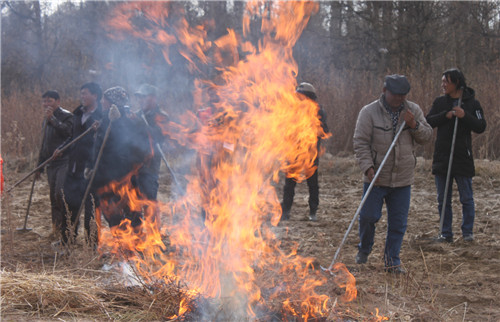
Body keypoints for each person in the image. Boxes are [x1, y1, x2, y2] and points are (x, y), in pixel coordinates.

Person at [353, 74, 432, 273]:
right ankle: (364, 249)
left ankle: (392, 260)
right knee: (369, 217)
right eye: (395, 94)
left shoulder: (413, 110)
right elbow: (360, 142)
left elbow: (427, 136)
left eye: (402, 95)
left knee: (398, 223)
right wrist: (368, 167)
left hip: (403, 179)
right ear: (384, 91)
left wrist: (414, 125)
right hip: (376, 177)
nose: (399, 99)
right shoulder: (368, 112)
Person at [425, 68, 486, 243]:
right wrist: (447, 115)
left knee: (466, 198)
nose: (443, 85)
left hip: (462, 158)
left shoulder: (472, 104)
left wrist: (464, 115)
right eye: (442, 81)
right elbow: (429, 121)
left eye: (446, 81)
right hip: (442, 157)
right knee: (443, 199)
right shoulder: (440, 102)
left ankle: (467, 234)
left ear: (457, 83)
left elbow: (481, 126)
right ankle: (446, 233)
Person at [89, 86, 151, 229]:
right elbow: (98, 147)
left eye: (105, 99)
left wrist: (117, 121)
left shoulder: (130, 118)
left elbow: (134, 144)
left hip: (123, 175)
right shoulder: (105, 118)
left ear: (112, 102)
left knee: (131, 210)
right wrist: (91, 166)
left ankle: (135, 242)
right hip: (105, 175)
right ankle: (120, 245)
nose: (102, 102)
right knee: (111, 212)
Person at [60, 82, 103, 246]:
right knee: (69, 207)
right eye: (81, 94)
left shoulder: (102, 117)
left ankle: (92, 246)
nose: (82, 97)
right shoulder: (77, 113)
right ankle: (67, 242)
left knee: (91, 211)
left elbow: (105, 144)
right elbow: (72, 137)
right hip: (74, 169)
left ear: (95, 96)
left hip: (91, 171)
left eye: (85, 93)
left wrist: (99, 130)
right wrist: (61, 149)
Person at [281, 82, 329, 222]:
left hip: (310, 153)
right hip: (293, 153)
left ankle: (313, 212)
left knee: (312, 184)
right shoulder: (292, 111)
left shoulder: (319, 111)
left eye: (301, 96)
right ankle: (285, 212)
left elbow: (324, 131)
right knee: (289, 183)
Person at [35, 90, 73, 238]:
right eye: (44, 101)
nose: (46, 104)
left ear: (58, 101)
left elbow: (70, 135)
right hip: (51, 163)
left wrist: (54, 120)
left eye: (49, 101)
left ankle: (67, 229)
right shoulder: (45, 119)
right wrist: (40, 165)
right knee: (53, 197)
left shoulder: (67, 116)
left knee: (60, 194)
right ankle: (56, 229)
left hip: (65, 161)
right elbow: (45, 144)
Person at [133, 84, 170, 201]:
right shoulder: (136, 115)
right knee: (134, 204)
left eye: (143, 97)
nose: (140, 100)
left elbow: (159, 136)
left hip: (150, 166)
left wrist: (141, 124)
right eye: (138, 97)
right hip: (133, 165)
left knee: (150, 203)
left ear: (153, 98)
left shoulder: (162, 116)